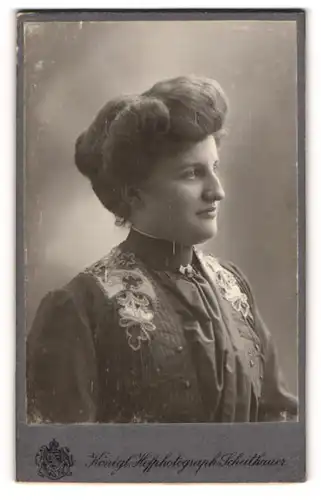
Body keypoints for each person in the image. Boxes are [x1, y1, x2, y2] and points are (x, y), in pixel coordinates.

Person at [27, 75, 298, 424]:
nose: (216, 191)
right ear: (134, 193)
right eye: (192, 174)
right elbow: (65, 462)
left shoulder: (233, 287)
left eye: (214, 169)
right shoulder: (80, 307)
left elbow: (279, 420)